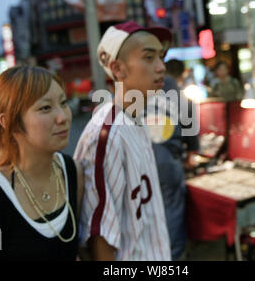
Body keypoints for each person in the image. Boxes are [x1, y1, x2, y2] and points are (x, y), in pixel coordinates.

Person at [0, 66, 84, 260]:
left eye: (63, 103)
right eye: (45, 108)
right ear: (9, 121)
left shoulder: (72, 171)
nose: (63, 117)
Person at [74, 21, 172, 261]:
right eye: (149, 58)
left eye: (161, 56)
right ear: (118, 69)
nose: (161, 67)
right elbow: (99, 236)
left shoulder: (135, 117)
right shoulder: (107, 134)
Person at [149, 59, 199, 260]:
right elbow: (190, 124)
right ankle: (173, 256)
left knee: (156, 207)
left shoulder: (148, 89)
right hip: (167, 157)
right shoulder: (175, 89)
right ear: (182, 74)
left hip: (146, 155)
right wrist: (192, 151)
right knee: (172, 207)